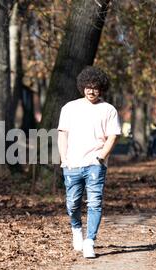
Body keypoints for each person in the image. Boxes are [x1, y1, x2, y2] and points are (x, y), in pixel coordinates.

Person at [57, 66, 121, 258]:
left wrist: (101, 157)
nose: (91, 90)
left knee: (94, 203)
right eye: (88, 86)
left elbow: (112, 137)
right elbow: (62, 135)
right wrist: (64, 159)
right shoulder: (69, 108)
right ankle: (76, 229)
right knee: (72, 204)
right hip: (72, 164)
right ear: (82, 87)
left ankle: (89, 241)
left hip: (95, 164)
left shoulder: (108, 110)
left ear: (101, 88)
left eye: (95, 87)